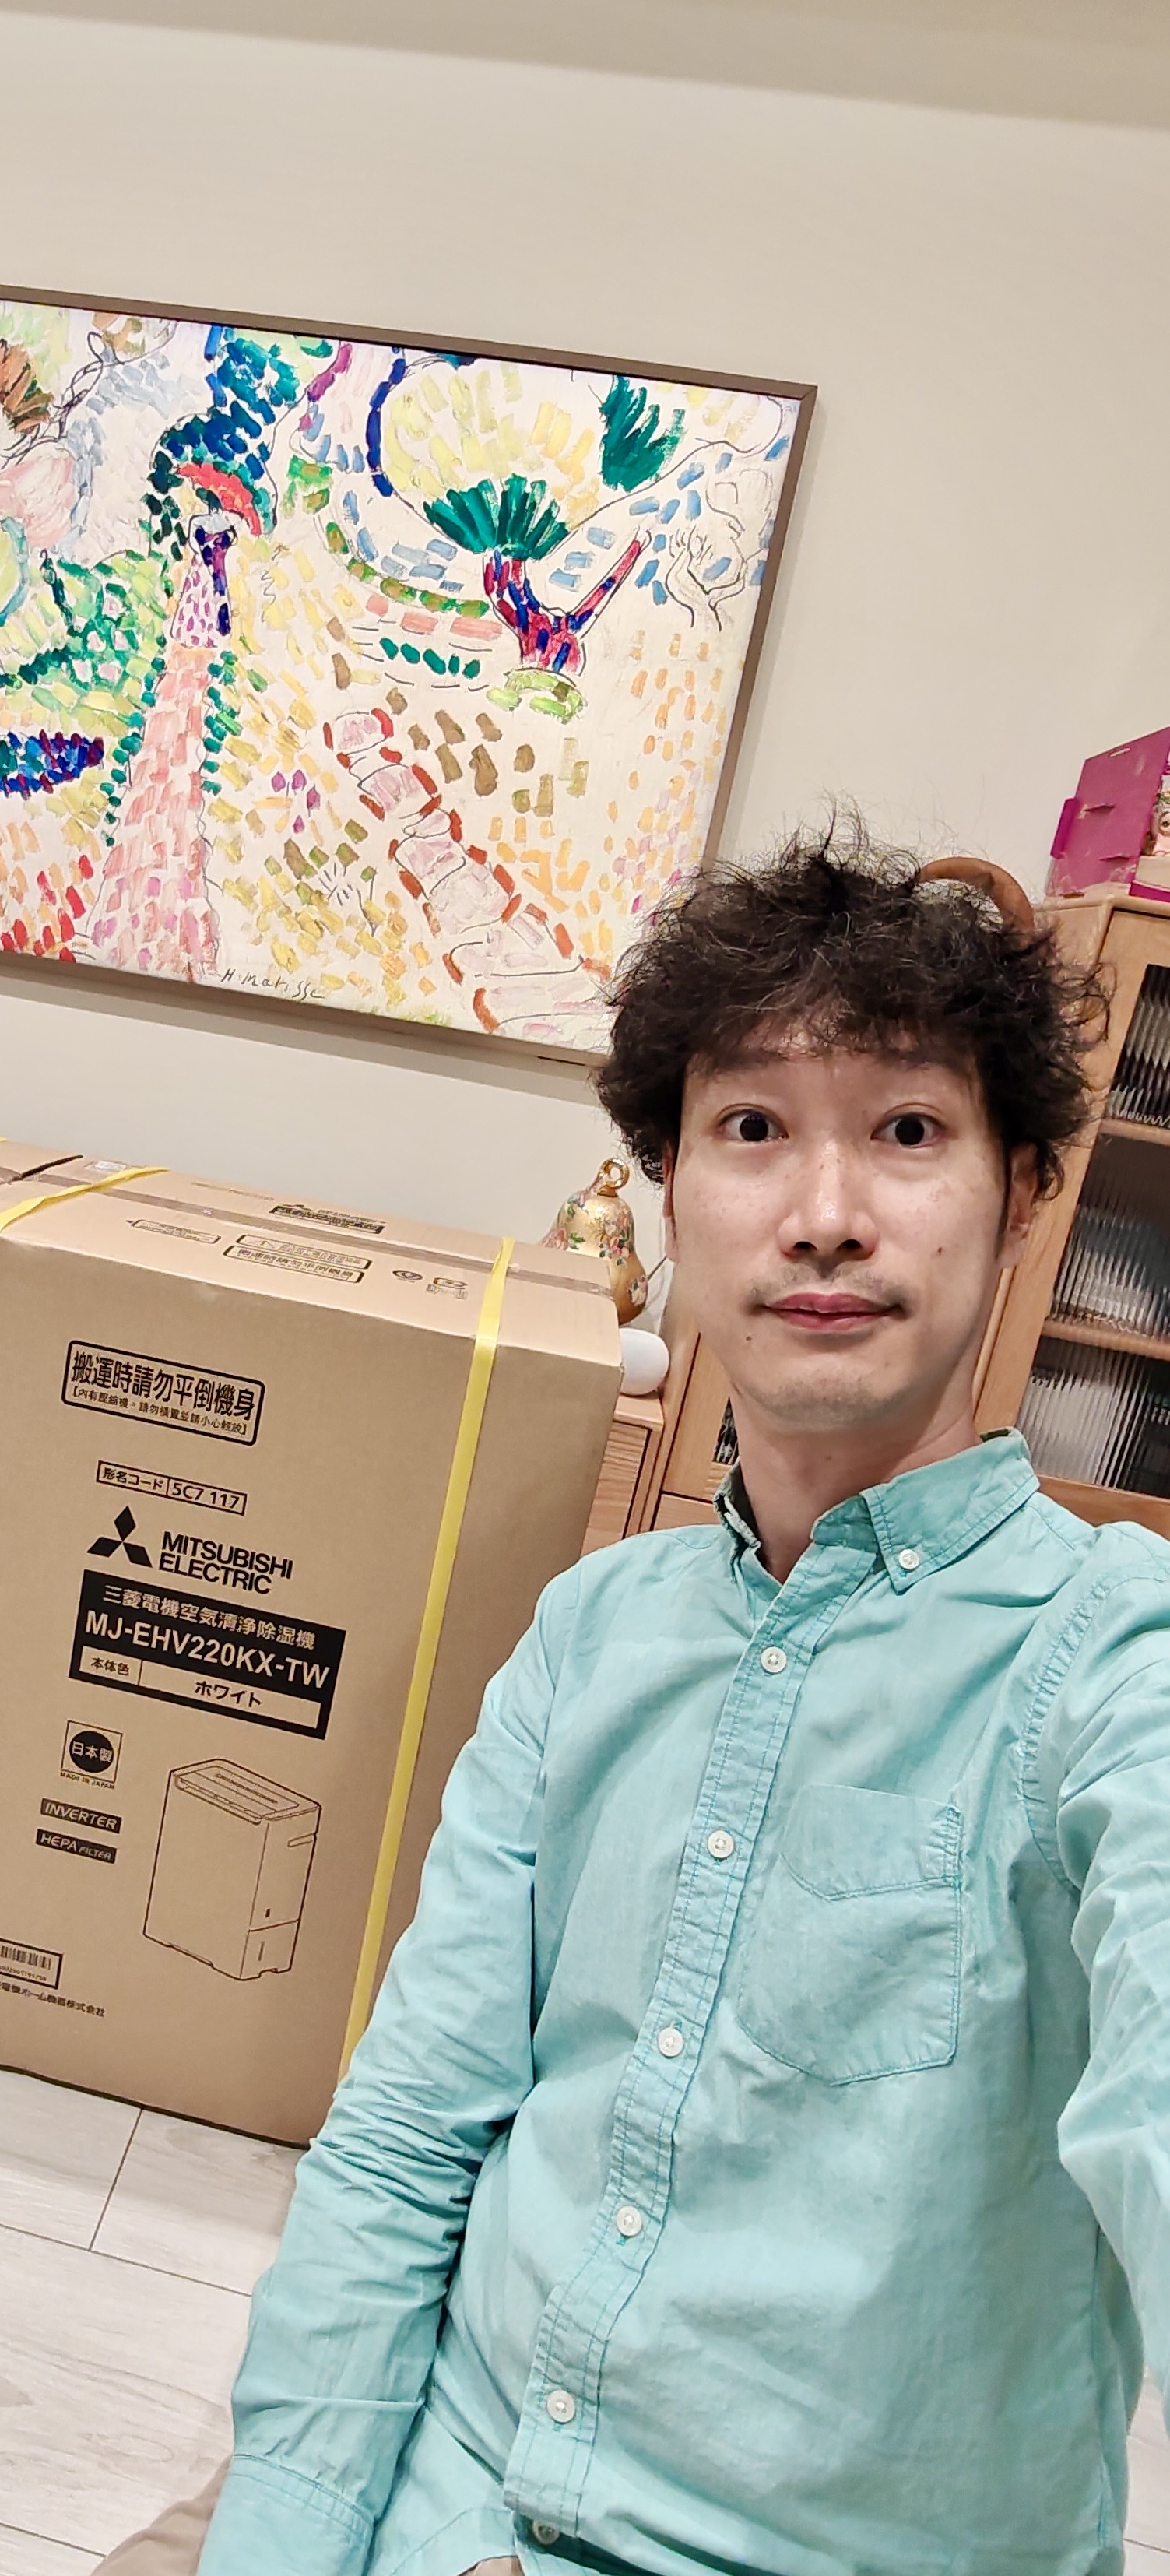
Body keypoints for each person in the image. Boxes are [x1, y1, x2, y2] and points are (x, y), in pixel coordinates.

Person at [97, 824, 1170, 2576]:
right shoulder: (593, 1632)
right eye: (751, 1128)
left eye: (909, 1130)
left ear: (1026, 1187)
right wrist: (284, 2534)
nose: (824, 1213)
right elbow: (406, 2133)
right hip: (449, 2489)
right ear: (668, 1188)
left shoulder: (1114, 1657)